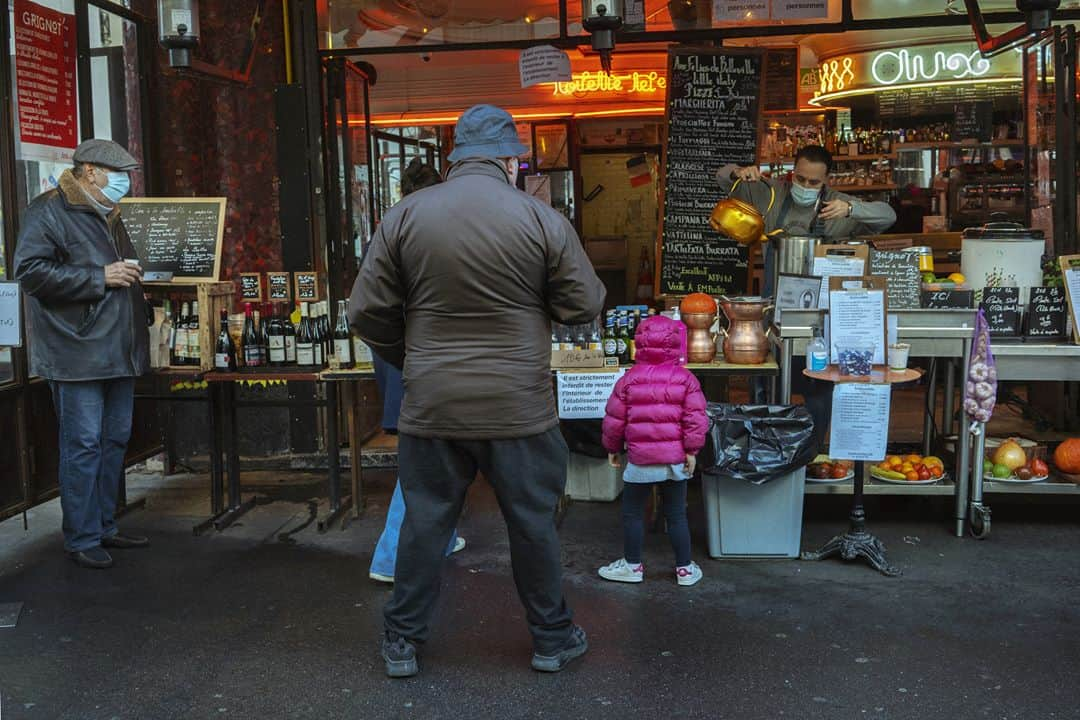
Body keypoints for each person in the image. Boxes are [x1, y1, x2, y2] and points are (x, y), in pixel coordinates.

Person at [349, 104, 606, 678]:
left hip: (433, 404)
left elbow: (365, 312)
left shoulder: (406, 215)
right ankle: (551, 639)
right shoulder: (540, 218)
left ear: (455, 159)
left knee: (425, 522)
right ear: (511, 160)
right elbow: (583, 305)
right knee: (532, 525)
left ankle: (402, 643)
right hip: (519, 406)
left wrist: (411, 357)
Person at [14, 139, 150, 570]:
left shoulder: (109, 214)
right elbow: (30, 273)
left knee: (113, 441)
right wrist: (100, 277)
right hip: (76, 351)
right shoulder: (48, 210)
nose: (125, 182)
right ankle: (82, 536)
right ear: (90, 171)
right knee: (84, 444)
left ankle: (104, 525)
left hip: (117, 349)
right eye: (118, 173)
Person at [717, 145, 897, 452]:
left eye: (814, 183)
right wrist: (738, 172)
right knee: (766, 386)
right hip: (774, 311)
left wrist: (852, 210)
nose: (806, 187)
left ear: (826, 180)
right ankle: (767, 451)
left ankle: (810, 453)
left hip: (820, 319)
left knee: (818, 387)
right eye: (800, 179)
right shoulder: (770, 193)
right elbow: (722, 179)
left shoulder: (839, 207)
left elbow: (889, 215)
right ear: (792, 173)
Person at [368, 158, 466, 583]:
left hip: (399, 357)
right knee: (422, 461)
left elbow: (368, 303)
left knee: (438, 454)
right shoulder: (432, 231)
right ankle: (389, 558)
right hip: (426, 360)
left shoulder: (390, 227)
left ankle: (444, 538)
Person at [598, 316, 709, 587]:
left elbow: (614, 419)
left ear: (640, 344)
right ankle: (684, 570)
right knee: (677, 514)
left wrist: (612, 448)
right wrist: (692, 450)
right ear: (676, 344)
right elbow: (696, 418)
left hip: (640, 461)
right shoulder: (686, 379)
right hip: (676, 460)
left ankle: (632, 566)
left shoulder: (629, 379)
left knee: (633, 513)